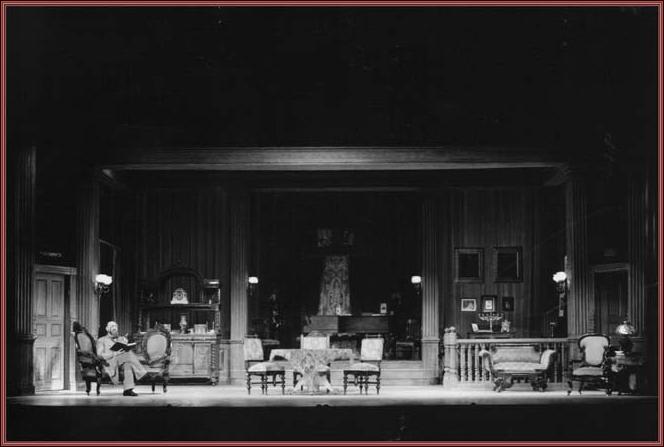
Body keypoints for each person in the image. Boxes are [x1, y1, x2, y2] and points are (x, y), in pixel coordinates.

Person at [96, 321, 147, 396]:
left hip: (121, 361)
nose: (114, 328)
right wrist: (115, 353)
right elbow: (99, 355)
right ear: (107, 329)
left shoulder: (120, 339)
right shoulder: (101, 340)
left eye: (116, 327)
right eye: (112, 326)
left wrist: (125, 344)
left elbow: (123, 348)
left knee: (127, 364)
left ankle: (128, 390)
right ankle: (141, 371)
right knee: (128, 354)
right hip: (109, 362)